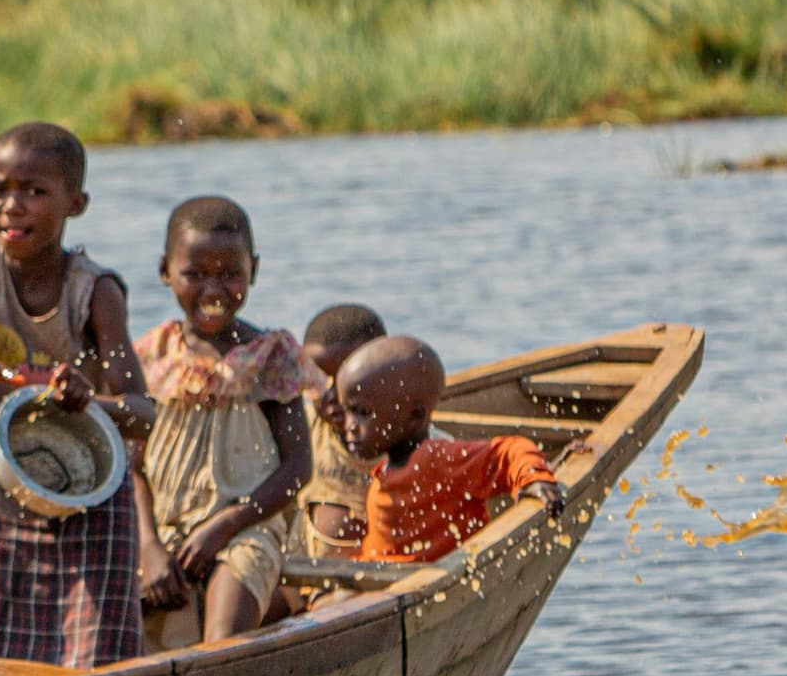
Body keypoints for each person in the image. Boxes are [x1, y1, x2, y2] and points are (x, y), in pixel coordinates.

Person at [0, 121, 155, 668]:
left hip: (92, 502)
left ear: (76, 203)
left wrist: (89, 402)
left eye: (34, 192)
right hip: (4, 489)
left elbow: (142, 412)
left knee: (92, 666)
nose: (12, 206)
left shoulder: (95, 293)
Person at [133, 197, 312, 643]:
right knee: (121, 625)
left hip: (246, 530)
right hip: (166, 533)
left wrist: (226, 524)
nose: (213, 290)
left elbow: (297, 470)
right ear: (165, 272)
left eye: (230, 274)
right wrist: (148, 544)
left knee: (222, 639)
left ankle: (268, 606)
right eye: (195, 274)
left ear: (253, 270)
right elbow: (130, 467)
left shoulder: (272, 355)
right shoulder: (151, 356)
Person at [332, 335, 568, 566]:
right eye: (347, 412)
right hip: (382, 577)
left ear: (414, 416)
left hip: (423, 581)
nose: (349, 426)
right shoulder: (385, 470)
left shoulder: (439, 460)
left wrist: (534, 479)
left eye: (362, 413)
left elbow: (508, 451)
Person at [294, 301, 388, 562]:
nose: (332, 394)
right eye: (319, 379)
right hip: (304, 576)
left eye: (349, 379)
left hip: (376, 581)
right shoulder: (301, 428)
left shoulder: (407, 437)